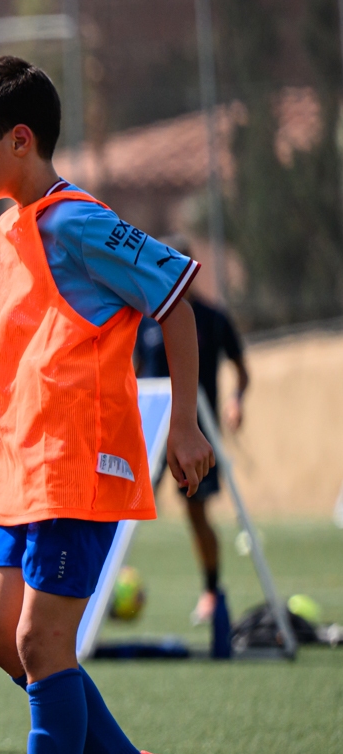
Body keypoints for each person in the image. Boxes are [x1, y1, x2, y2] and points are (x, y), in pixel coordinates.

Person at [0, 56, 214, 754]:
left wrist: (184, 422)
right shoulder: (3, 231)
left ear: (21, 140)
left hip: (80, 462)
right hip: (24, 468)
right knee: (0, 636)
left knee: (42, 644)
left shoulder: (77, 221)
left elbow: (175, 298)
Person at [135, 240, 249, 626]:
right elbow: (135, 373)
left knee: (197, 514)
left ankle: (212, 592)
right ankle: (96, 590)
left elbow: (241, 370)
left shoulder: (212, 318)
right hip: (150, 435)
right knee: (121, 513)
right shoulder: (146, 319)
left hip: (195, 435)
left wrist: (235, 401)